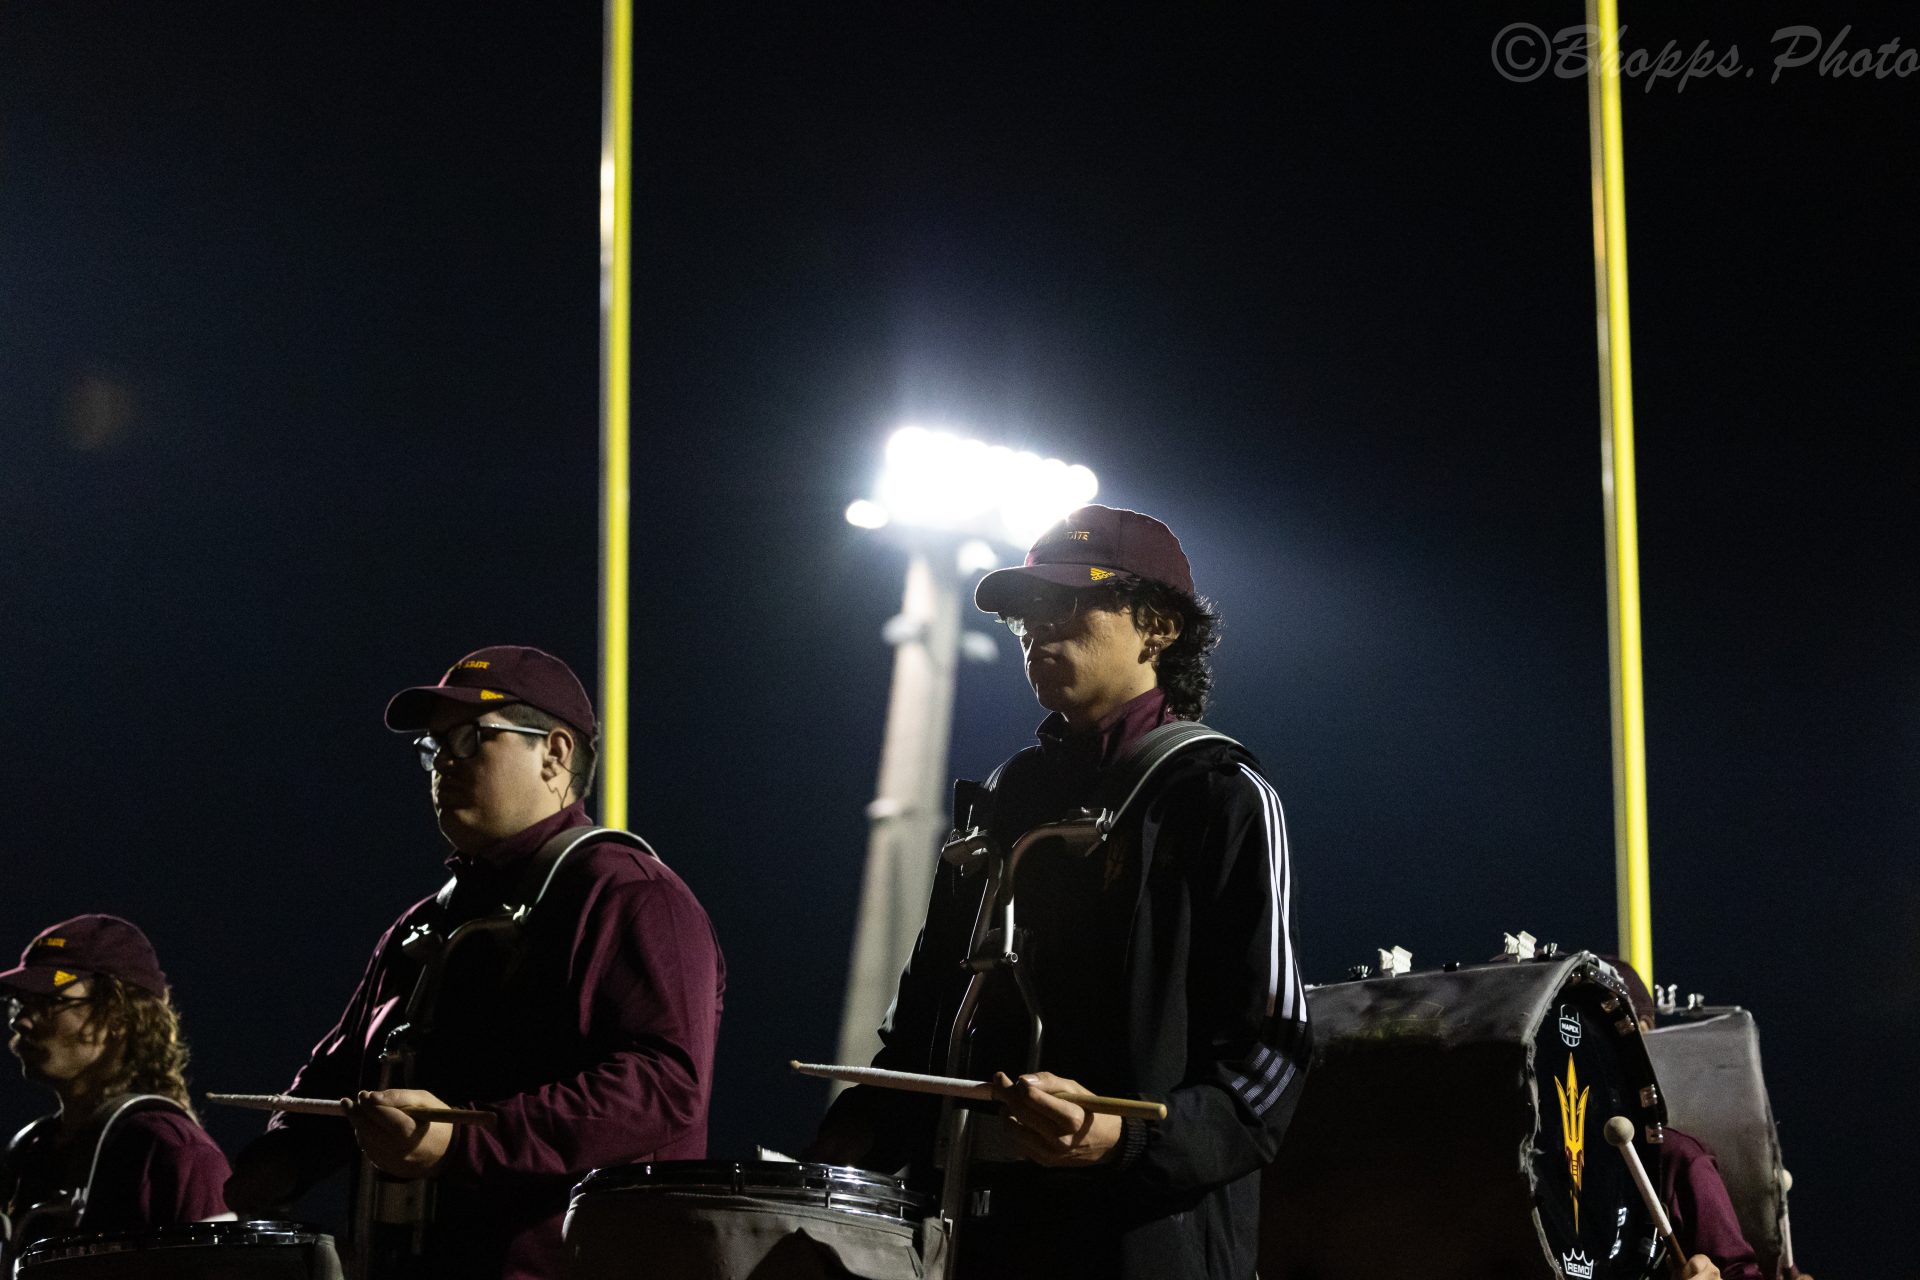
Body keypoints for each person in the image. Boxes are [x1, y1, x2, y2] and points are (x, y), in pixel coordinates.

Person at [814, 505, 1311, 1280]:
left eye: (1068, 607)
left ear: (1158, 626)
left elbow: (1270, 1055)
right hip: (983, 1236)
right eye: (1026, 615)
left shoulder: (1223, 796)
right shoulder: (1008, 794)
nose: (1038, 633)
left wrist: (1126, 1139)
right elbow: (927, 1014)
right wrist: (871, 1122)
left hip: (1144, 1245)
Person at [225, 644, 725, 1280]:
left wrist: (465, 1139)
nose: (444, 764)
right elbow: (341, 1073)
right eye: (434, 748)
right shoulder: (422, 924)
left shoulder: (628, 893)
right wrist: (282, 1157)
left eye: (470, 737)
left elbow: (663, 1085)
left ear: (555, 754)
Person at [1, 914, 230, 1261]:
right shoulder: (31, 1149)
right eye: (20, 1002)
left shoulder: (175, 1152)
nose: (21, 1020)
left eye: (50, 1002)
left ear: (120, 1015)